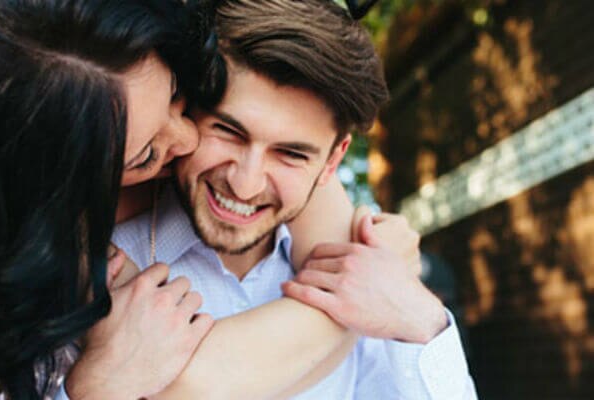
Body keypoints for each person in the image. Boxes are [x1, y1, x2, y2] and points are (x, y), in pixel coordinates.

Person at [0, 0, 421, 399]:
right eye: (146, 152)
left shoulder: (301, 185)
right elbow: (197, 379)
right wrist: (99, 384)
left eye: (179, 98)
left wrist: (389, 289)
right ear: (73, 193)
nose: (187, 139)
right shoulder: (51, 268)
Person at [105, 0, 479, 398]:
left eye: (290, 154)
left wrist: (423, 319)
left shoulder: (370, 278)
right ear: (186, 110)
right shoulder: (103, 263)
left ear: (333, 160)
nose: (245, 185)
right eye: (229, 131)